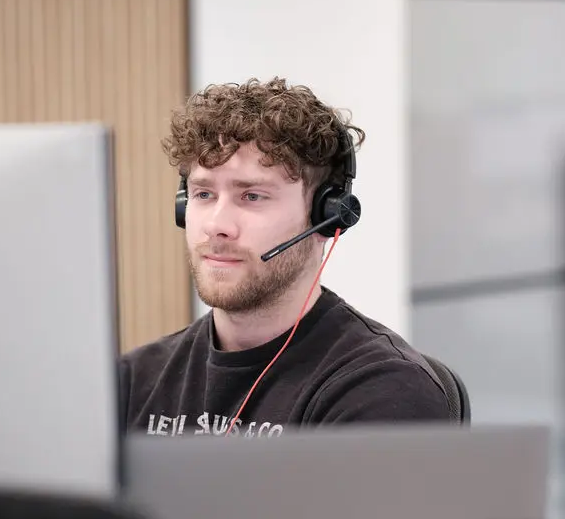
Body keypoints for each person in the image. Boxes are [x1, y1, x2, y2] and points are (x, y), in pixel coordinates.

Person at [118, 77, 450, 437]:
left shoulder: (383, 392)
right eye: (203, 194)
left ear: (327, 215)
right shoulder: (132, 383)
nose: (217, 225)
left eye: (252, 197)